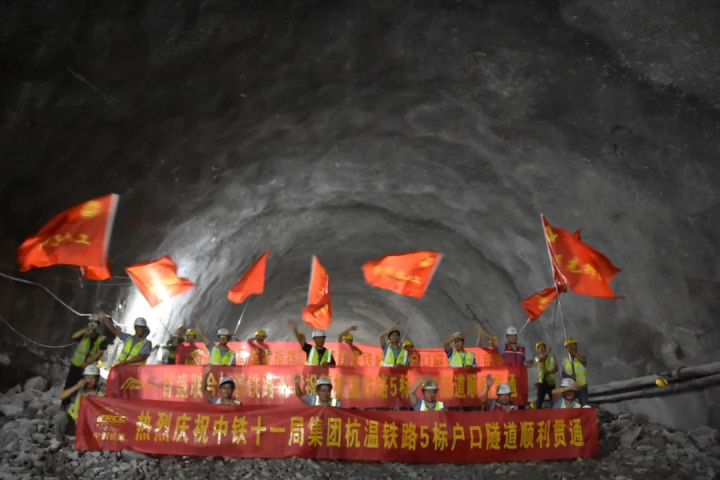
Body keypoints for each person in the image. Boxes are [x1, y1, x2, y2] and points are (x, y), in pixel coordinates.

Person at [62, 314, 109, 406]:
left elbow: (100, 353)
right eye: (91, 322)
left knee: (84, 387)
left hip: (88, 368)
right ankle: (65, 404)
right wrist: (85, 330)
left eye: (95, 322)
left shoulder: (102, 338)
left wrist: (88, 362)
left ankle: (78, 405)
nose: (93, 324)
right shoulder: (84, 335)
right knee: (70, 384)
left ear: (98, 324)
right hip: (76, 364)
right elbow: (74, 336)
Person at [53, 364, 104, 437]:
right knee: (60, 417)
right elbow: (62, 396)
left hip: (88, 427)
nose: (90, 380)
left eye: (93, 378)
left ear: (98, 378)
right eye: (87, 377)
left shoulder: (101, 394)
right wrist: (77, 386)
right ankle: (60, 440)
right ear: (84, 378)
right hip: (73, 424)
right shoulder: (79, 389)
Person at [562, 337, 588, 405]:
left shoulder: (581, 357)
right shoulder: (565, 360)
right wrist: (569, 376)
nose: (570, 348)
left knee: (584, 406)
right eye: (568, 346)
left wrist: (574, 353)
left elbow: (584, 361)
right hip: (571, 388)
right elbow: (563, 374)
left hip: (582, 387)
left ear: (576, 346)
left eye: (572, 345)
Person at [534, 341, 558, 409]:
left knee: (554, 400)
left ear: (545, 347)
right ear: (538, 350)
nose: (541, 348)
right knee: (539, 401)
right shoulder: (537, 358)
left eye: (542, 347)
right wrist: (547, 352)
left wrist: (549, 372)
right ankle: (538, 416)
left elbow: (556, 368)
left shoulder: (552, 357)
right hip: (542, 382)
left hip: (551, 381)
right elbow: (540, 360)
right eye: (539, 348)